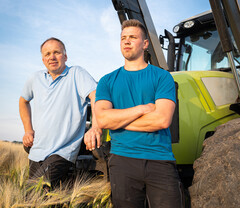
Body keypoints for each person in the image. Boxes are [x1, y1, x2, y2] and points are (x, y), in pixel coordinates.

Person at [85, 19, 183, 208]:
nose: (126, 41)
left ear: (145, 44)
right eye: (123, 38)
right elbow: (103, 119)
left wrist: (117, 120)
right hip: (122, 161)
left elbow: (162, 120)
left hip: (160, 160)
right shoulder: (107, 81)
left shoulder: (162, 77)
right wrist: (141, 109)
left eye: (132, 37)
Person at [19, 37, 101, 188]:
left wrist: (95, 127)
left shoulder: (76, 74)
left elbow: (96, 95)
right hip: (37, 151)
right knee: (40, 196)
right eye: (47, 53)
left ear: (65, 56)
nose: (52, 57)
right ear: (43, 59)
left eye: (56, 52)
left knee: (32, 194)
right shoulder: (35, 78)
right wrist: (28, 130)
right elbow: (23, 101)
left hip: (63, 151)